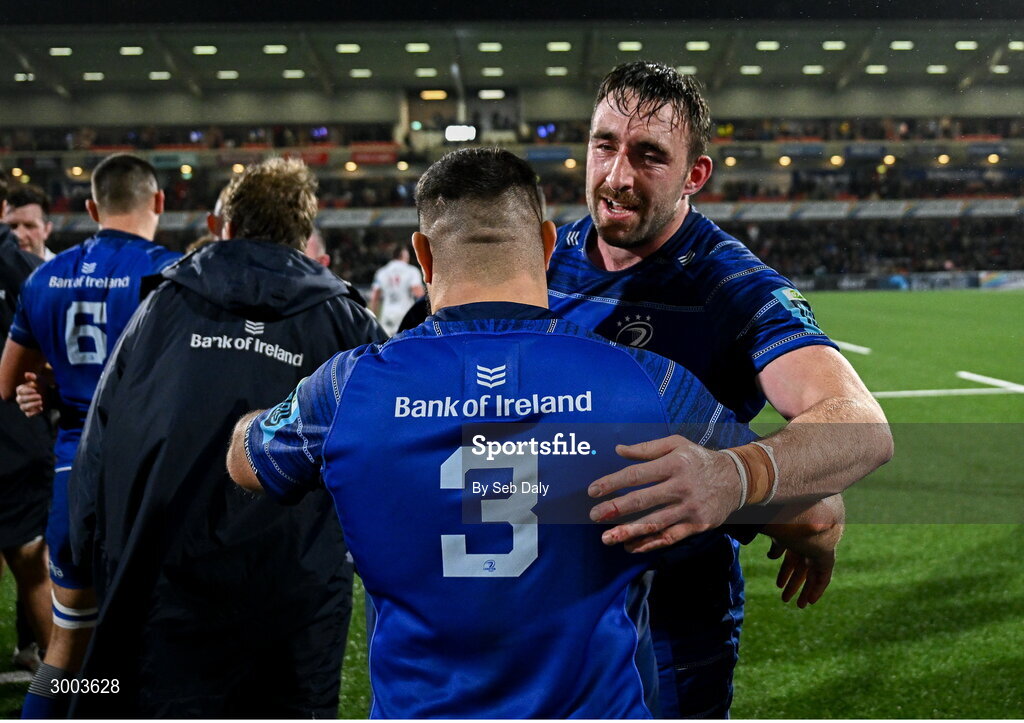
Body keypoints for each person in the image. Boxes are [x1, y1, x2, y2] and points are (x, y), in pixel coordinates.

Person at [225, 147, 843, 718]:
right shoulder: (644, 382)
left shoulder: (345, 392)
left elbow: (246, 459)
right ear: (548, 245)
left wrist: (258, 418)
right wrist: (811, 533)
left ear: (423, 254)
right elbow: (812, 511)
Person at [547, 61, 893, 717]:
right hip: (548, 605)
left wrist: (734, 477)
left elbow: (860, 423)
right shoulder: (542, 256)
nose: (616, 177)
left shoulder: (731, 284)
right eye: (604, 145)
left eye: (649, 156)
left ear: (694, 175)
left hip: (672, 625)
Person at [66, 158, 385, 717]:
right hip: (292, 602)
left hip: (160, 585)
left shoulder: (160, 306)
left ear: (226, 225)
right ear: (303, 235)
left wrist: (89, 555)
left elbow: (99, 445)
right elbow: (386, 464)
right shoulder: (346, 322)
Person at [0, 153, 181, 719]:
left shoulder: (43, 275)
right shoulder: (171, 274)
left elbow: (9, 382)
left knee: (67, 646)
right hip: (146, 473)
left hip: (73, 468)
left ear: (90, 207)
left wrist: (49, 386)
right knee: (158, 641)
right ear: (158, 202)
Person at [0, 175, 54, 680]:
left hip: (19, 431)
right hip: (19, 434)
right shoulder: (32, 273)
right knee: (35, 565)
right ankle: (73, 690)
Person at [369, 243, 423, 335]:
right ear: (404, 254)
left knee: (387, 344)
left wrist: (372, 317)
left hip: (387, 314)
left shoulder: (382, 272)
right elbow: (419, 294)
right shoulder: (411, 271)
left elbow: (374, 297)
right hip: (406, 314)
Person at [3, 185, 56, 261]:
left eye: (29, 226)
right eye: (12, 226)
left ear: (46, 230)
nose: (19, 235)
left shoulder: (66, 271)